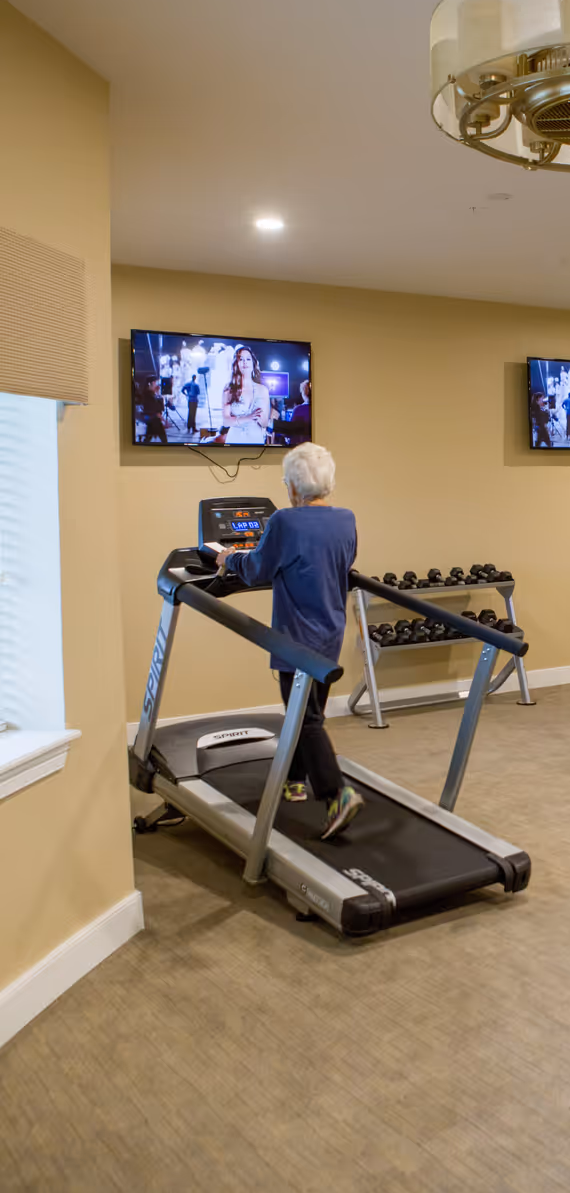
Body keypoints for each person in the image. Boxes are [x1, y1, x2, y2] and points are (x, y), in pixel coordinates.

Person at [215, 442, 363, 838]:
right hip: (331, 629)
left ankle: (337, 794)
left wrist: (227, 558)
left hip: (296, 636)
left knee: (304, 717)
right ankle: (295, 781)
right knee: (309, 710)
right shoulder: (345, 518)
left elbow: (257, 569)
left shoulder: (284, 521)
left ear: (293, 486)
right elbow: (342, 563)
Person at [221, 345, 274, 445]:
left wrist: (262, 418)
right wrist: (248, 418)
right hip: (234, 440)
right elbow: (226, 421)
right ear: (236, 364)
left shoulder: (263, 390)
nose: (245, 362)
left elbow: (265, 423)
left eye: (248, 359)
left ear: (253, 363)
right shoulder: (229, 389)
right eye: (241, 359)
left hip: (255, 441)